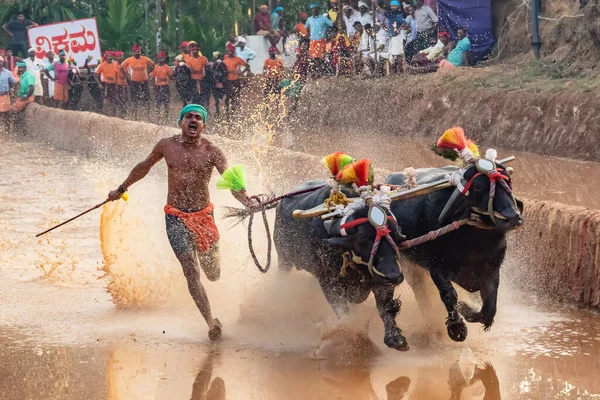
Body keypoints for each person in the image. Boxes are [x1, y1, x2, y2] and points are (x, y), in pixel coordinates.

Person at [107, 104, 256, 341]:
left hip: (204, 217)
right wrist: (121, 188)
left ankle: (212, 292)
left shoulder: (213, 151)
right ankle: (211, 322)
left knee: (213, 273)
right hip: (175, 216)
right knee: (190, 268)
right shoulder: (166, 146)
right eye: (189, 117)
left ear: (204, 125)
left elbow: (230, 180)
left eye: (198, 118)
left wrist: (247, 200)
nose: (193, 121)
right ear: (180, 122)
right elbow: (144, 167)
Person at [120, 44, 154, 121]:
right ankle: (135, 116)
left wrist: (148, 72)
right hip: (134, 82)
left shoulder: (145, 59)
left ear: (140, 51)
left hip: (144, 81)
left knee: (146, 99)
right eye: (135, 51)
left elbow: (152, 65)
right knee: (134, 99)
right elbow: (121, 67)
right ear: (133, 52)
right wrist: (126, 75)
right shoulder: (129, 60)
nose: (137, 52)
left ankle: (147, 116)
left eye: (138, 51)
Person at [305, 4, 334, 77]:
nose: (314, 10)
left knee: (320, 57)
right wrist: (308, 36)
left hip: (321, 40)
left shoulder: (323, 18)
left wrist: (338, 15)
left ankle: (321, 72)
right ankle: (315, 72)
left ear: (318, 9)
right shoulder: (309, 19)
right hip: (312, 41)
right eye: (313, 9)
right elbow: (306, 28)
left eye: (315, 8)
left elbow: (332, 24)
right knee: (312, 58)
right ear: (311, 10)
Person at [223, 43, 249, 122]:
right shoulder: (225, 60)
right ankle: (227, 112)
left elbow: (247, 66)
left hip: (236, 81)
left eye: (231, 51)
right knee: (227, 98)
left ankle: (234, 112)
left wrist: (241, 73)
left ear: (233, 52)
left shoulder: (238, 59)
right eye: (228, 51)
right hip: (227, 81)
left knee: (235, 97)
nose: (229, 52)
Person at [149, 51, 173, 125]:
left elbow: (171, 76)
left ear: (164, 58)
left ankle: (166, 117)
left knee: (166, 103)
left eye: (162, 58)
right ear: (157, 59)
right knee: (158, 102)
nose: (161, 60)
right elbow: (151, 77)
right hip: (157, 86)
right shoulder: (155, 67)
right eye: (159, 58)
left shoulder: (167, 67)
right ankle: (158, 117)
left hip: (165, 86)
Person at [94, 51, 118, 116]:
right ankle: (104, 115)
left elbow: (116, 74)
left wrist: (116, 84)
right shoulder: (102, 65)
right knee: (105, 100)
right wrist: (99, 84)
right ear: (106, 57)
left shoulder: (115, 63)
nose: (110, 57)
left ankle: (113, 115)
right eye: (109, 56)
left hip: (113, 84)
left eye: (111, 56)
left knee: (114, 101)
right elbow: (95, 75)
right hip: (105, 84)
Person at [387, 1, 408, 73]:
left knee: (399, 55)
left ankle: (401, 72)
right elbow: (381, 11)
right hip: (392, 37)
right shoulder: (390, 15)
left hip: (398, 37)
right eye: (392, 6)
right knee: (392, 55)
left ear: (398, 7)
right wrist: (375, 4)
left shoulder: (399, 15)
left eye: (394, 6)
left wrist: (399, 29)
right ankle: (395, 72)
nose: (393, 7)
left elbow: (404, 23)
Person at [187, 42, 210, 108]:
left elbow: (208, 68)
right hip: (193, 81)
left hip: (202, 80)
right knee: (194, 95)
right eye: (194, 50)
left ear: (198, 50)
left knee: (204, 95)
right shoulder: (189, 60)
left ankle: (205, 108)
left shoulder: (203, 59)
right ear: (191, 51)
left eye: (196, 50)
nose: (195, 51)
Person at [0, 56, 17, 132]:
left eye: (0, 61)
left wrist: (11, 89)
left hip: (4, 96)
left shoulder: (7, 72)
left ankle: (7, 130)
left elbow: (13, 82)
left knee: (6, 114)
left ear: (3, 62)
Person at [210, 52, 227, 117]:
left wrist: (221, 82)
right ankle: (217, 110)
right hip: (215, 82)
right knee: (216, 98)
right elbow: (211, 73)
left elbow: (225, 73)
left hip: (222, 82)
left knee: (222, 97)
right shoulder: (212, 64)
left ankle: (223, 110)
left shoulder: (224, 64)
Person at [113, 51, 128, 118]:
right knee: (116, 100)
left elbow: (128, 74)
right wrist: (115, 85)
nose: (120, 58)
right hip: (117, 85)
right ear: (116, 57)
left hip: (124, 84)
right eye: (119, 56)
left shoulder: (125, 64)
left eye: (121, 56)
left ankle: (124, 115)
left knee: (125, 100)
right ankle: (115, 115)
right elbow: (114, 75)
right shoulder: (115, 64)